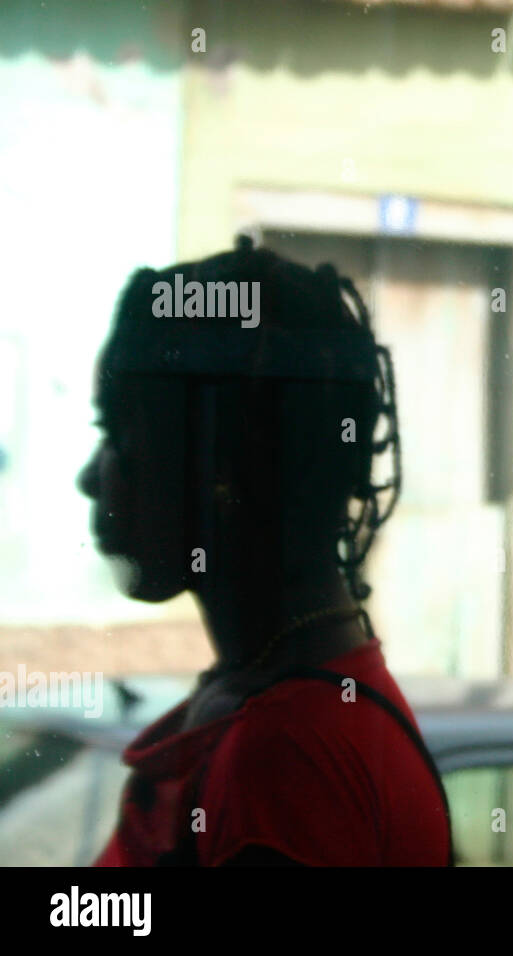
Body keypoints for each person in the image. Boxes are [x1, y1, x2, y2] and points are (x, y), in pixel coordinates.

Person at [82, 236, 452, 865]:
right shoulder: (291, 707)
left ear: (219, 465)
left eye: (120, 434)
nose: (92, 476)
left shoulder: (287, 760)